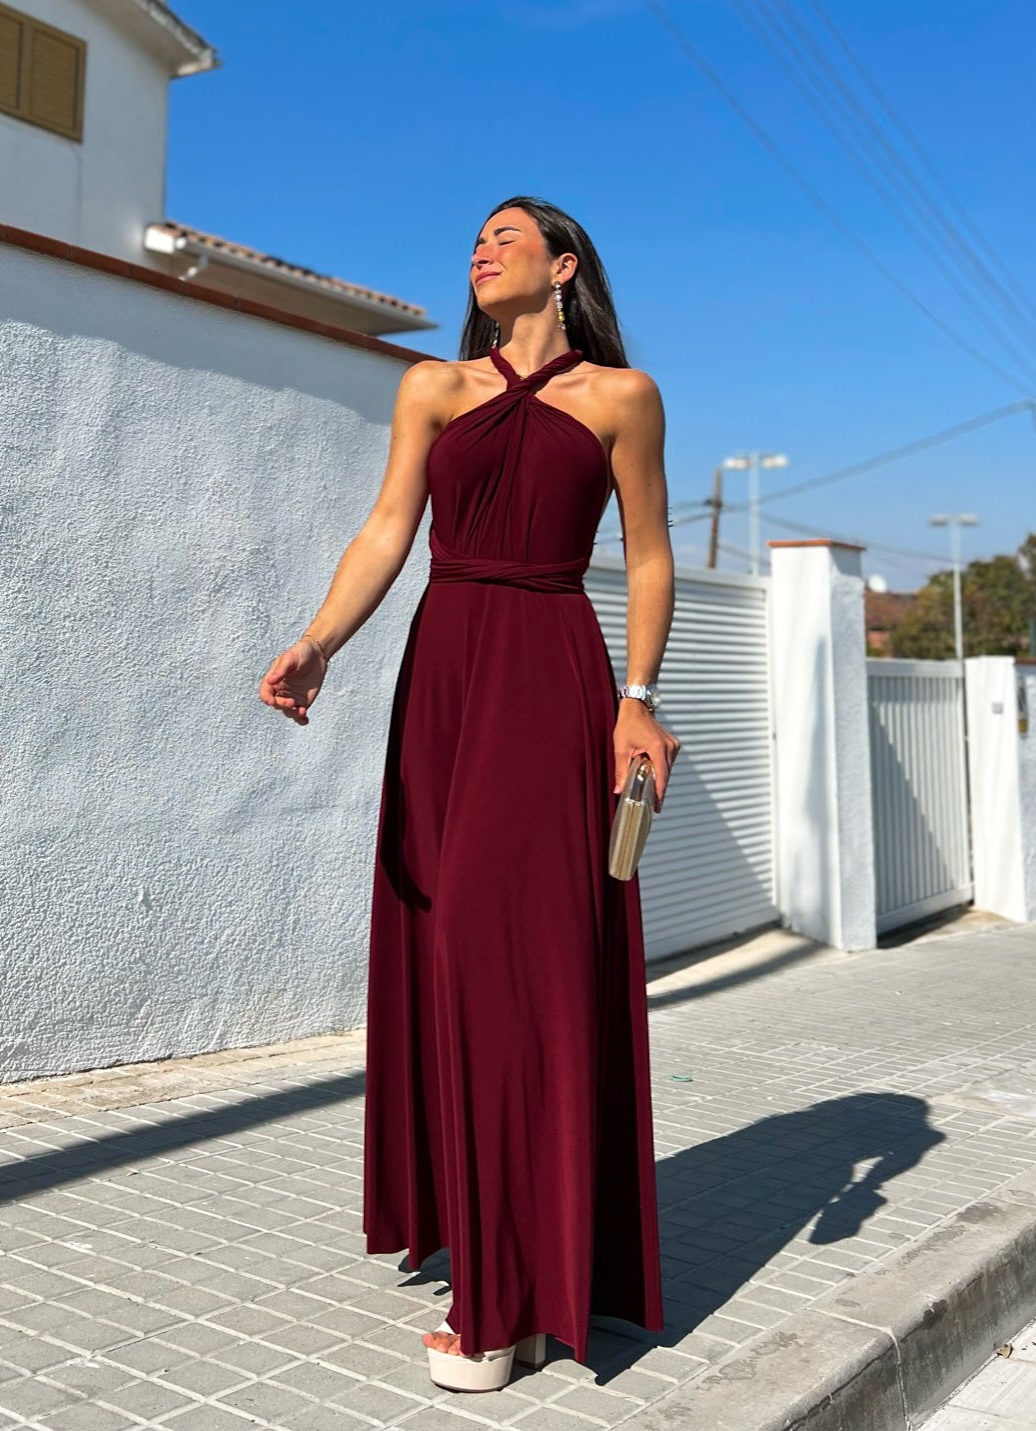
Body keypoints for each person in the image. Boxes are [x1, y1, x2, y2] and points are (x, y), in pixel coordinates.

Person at [259, 196, 678, 1391]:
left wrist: (635, 699)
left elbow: (648, 553)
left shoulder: (623, 397)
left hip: (553, 675)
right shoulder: (432, 389)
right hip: (445, 678)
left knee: (522, 967)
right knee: (454, 962)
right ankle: (524, 1270)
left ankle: (502, 1305)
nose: (480, 251)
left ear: (563, 265)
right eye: (474, 242)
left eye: (506, 237)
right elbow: (387, 530)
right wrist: (320, 641)